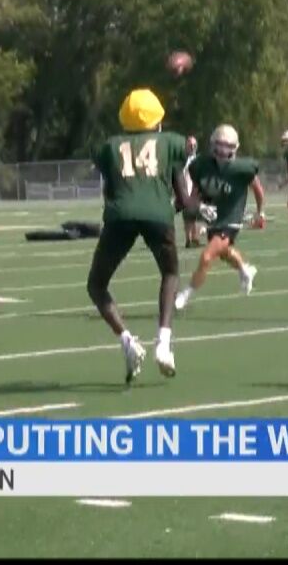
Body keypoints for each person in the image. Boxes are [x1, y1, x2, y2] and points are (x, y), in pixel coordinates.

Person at [86, 88, 190, 383]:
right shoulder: (170, 141)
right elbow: (186, 156)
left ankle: (127, 341)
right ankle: (164, 343)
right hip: (158, 214)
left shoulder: (109, 146)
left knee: (96, 285)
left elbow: (108, 187)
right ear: (157, 119)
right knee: (170, 273)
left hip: (119, 214)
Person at [176, 125, 265, 310]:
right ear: (212, 144)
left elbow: (258, 190)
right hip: (214, 217)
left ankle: (187, 293)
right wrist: (199, 206)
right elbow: (196, 193)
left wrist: (260, 212)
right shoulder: (201, 165)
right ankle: (245, 270)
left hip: (231, 217)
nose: (223, 150)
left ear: (235, 147)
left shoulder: (243, 168)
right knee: (224, 253)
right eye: (219, 145)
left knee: (207, 256)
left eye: (227, 146)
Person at [181, 135, 203, 248]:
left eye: (194, 145)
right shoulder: (182, 159)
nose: (192, 147)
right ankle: (188, 239)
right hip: (185, 190)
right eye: (190, 145)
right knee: (187, 215)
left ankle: (194, 238)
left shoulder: (198, 159)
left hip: (196, 190)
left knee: (194, 214)